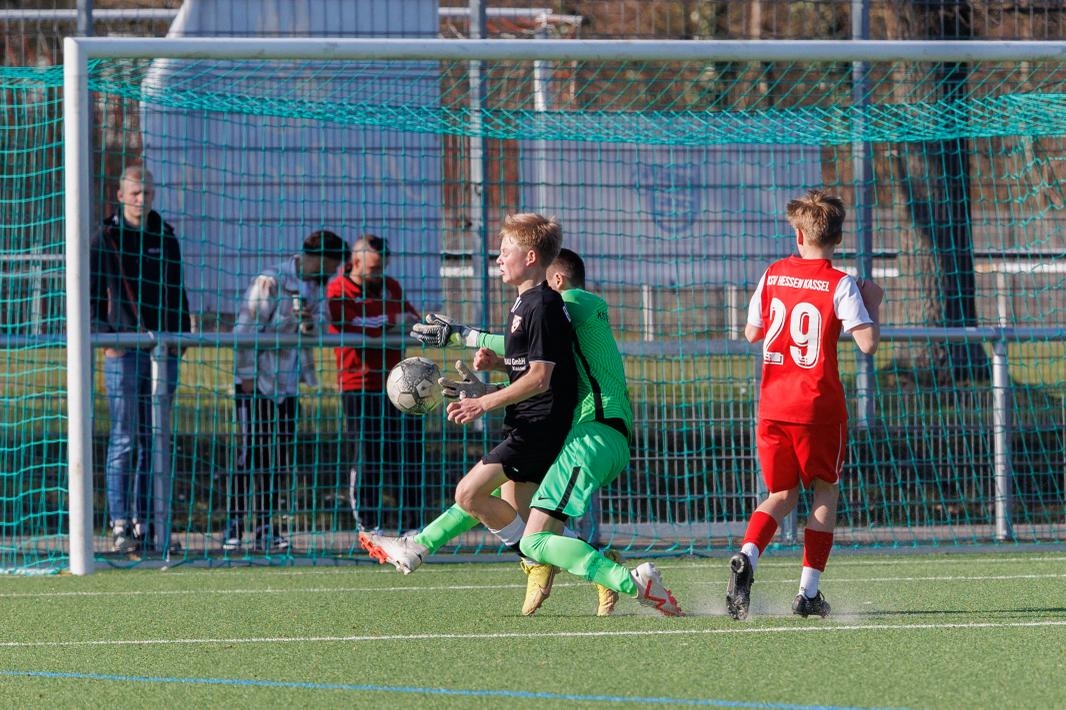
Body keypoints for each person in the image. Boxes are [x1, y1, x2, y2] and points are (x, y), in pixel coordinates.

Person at [363, 248, 682, 617]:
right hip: (583, 433)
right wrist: (496, 377)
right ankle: (420, 545)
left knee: (530, 535)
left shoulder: (568, 303)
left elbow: (528, 346)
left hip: (592, 435)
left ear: (556, 279)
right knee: (500, 499)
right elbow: (546, 369)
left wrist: (464, 335)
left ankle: (625, 580)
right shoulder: (575, 319)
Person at [359, 213, 578, 615]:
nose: (499, 258)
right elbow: (529, 368)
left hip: (538, 426)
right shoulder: (525, 303)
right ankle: (607, 569)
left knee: (469, 493)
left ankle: (417, 549)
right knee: (526, 526)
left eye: (505, 251)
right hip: (528, 422)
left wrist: (483, 403)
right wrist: (494, 370)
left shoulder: (544, 304)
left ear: (530, 257)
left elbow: (541, 378)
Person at [726, 189, 883, 620]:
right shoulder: (840, 283)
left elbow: (752, 333)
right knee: (825, 489)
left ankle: (748, 555)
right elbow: (868, 344)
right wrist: (872, 304)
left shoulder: (773, 273)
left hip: (773, 406)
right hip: (817, 409)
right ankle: (807, 592)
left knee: (779, 494)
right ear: (838, 238)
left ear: (798, 234)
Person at [89, 164, 191, 554]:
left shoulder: (165, 237)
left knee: (155, 437)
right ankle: (119, 524)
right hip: (124, 351)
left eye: (146, 192)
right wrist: (106, 337)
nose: (140, 199)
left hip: (162, 350)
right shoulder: (106, 238)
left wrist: (181, 334)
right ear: (120, 196)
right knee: (125, 437)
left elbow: (177, 289)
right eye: (134, 192)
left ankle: (148, 522)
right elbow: (91, 293)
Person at [228, 229, 350, 553]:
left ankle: (266, 527)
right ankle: (234, 526)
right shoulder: (270, 281)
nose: (334, 271)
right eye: (333, 264)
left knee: (279, 456)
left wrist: (310, 325)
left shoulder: (316, 288)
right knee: (250, 453)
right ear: (320, 259)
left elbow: (319, 328)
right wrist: (247, 376)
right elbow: (244, 330)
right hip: (257, 383)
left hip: (288, 385)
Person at [326, 234, 422, 533]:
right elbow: (352, 324)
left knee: (405, 453)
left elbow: (413, 319)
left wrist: (389, 322)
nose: (380, 274)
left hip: (398, 384)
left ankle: (411, 526)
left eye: (383, 267)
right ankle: (368, 526)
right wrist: (391, 320)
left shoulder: (391, 286)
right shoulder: (338, 289)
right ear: (356, 261)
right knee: (368, 454)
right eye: (374, 268)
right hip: (359, 384)